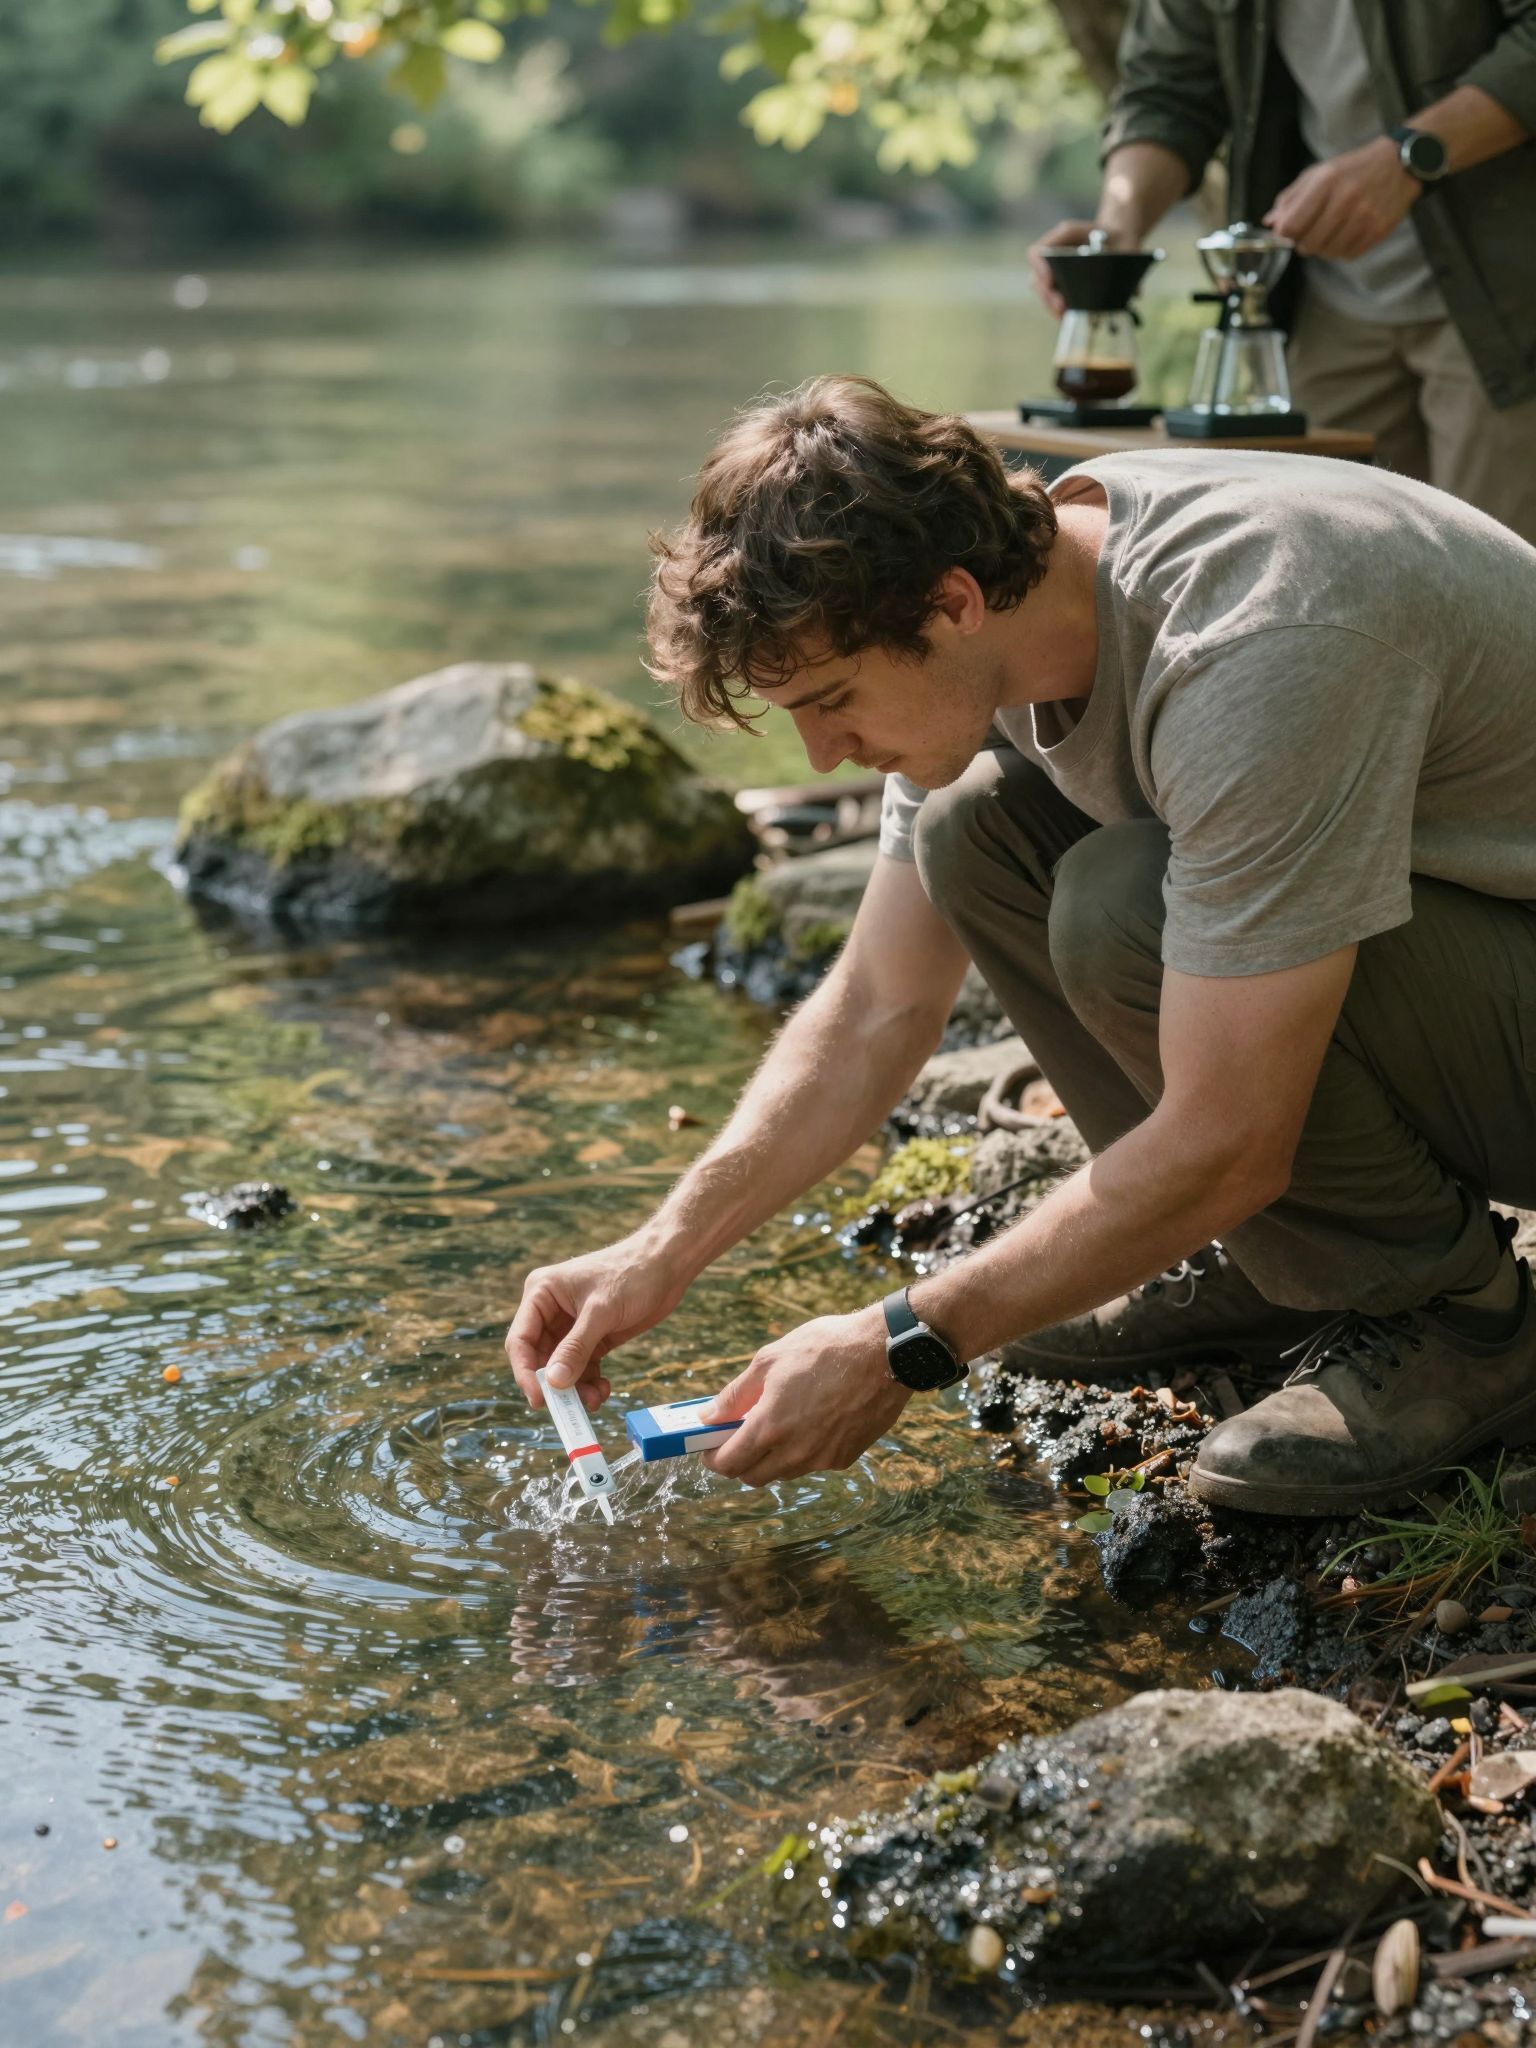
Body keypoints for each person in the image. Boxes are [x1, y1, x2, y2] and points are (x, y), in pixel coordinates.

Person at [507, 373, 1536, 1519]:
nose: (819, 757)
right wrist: (661, 1250)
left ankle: (1461, 1319)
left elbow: (1234, 1133)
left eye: (833, 698)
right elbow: (876, 1008)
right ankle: (1270, 1259)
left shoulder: (1252, 641)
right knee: (978, 829)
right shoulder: (1015, 606)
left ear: (950, 602)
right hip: (1479, 944)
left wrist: (905, 1340)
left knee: (1118, 903)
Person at [1028, 0, 1536, 545]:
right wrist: (1117, 231)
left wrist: (1406, 159)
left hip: (1510, 306)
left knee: (1503, 589)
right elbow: (1166, 86)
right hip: (1328, 310)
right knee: (1331, 579)